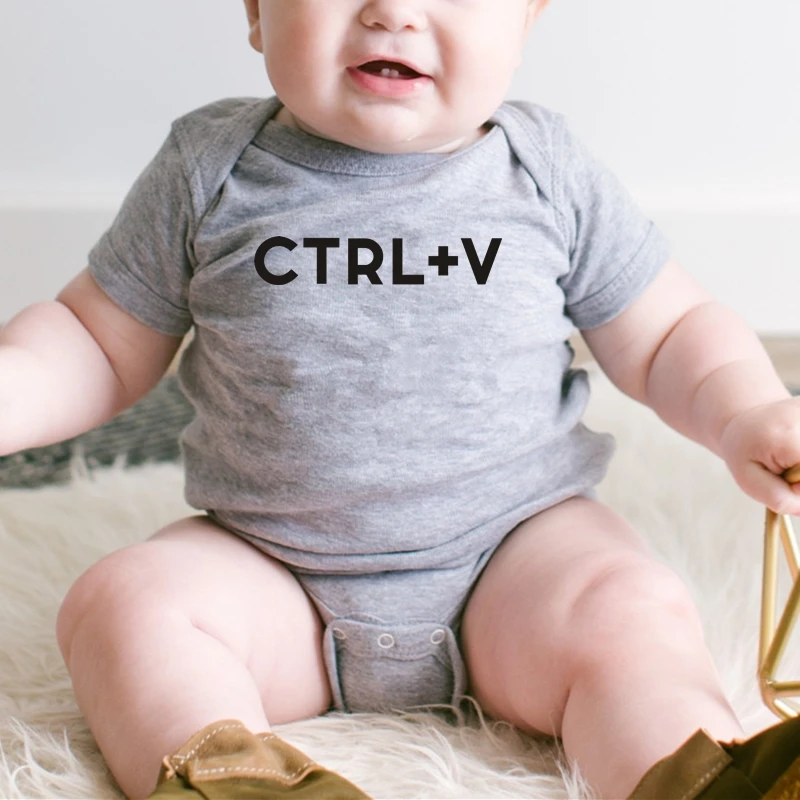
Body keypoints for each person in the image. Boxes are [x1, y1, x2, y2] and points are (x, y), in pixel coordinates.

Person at [2, 1, 799, 798]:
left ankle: (700, 780)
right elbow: (95, 339)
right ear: (256, 10)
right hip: (272, 572)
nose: (392, 11)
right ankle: (238, 781)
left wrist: (744, 412)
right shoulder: (208, 170)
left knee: (629, 608)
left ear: (524, 24)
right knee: (124, 605)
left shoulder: (545, 170)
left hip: (517, 561)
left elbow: (668, 334)